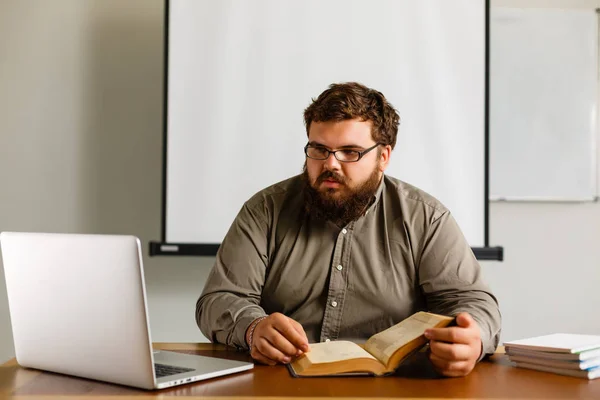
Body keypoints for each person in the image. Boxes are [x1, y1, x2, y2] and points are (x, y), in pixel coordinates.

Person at [196, 82, 501, 377]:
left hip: (394, 386)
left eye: (350, 152)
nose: (330, 164)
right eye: (318, 149)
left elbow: (474, 302)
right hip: (281, 381)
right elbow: (218, 299)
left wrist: (471, 340)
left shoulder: (425, 217)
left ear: (383, 157)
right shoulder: (265, 210)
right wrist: (252, 329)